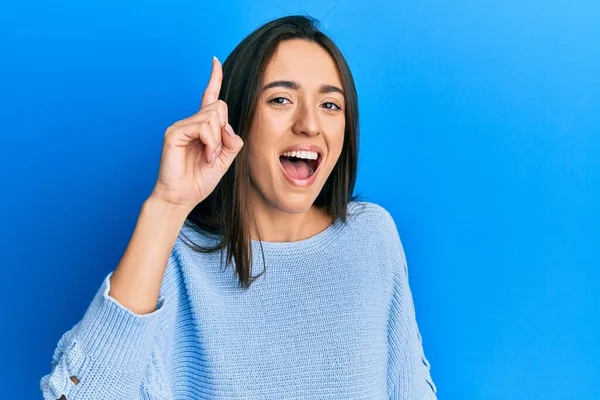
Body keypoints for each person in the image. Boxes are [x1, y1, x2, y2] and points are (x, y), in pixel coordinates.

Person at [40, 15, 437, 400]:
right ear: (235, 120)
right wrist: (166, 206)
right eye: (280, 99)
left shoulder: (372, 237)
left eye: (330, 105)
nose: (310, 125)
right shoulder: (176, 257)